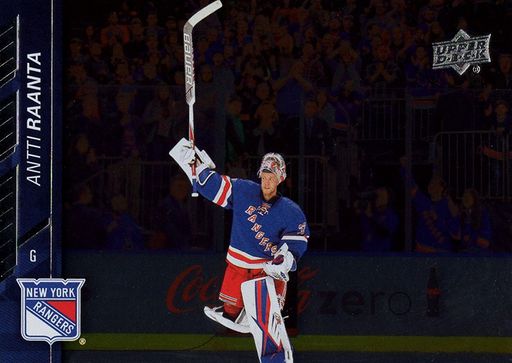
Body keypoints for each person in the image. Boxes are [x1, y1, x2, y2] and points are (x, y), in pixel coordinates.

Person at [171, 141, 309, 360]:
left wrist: (285, 259)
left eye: (272, 176)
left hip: (267, 272)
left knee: (267, 323)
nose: (267, 180)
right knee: (230, 312)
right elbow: (214, 186)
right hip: (238, 266)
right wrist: (194, 165)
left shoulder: (291, 211)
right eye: (264, 175)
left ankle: (276, 359)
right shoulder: (244, 190)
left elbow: (297, 243)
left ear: (280, 178)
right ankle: (238, 313)